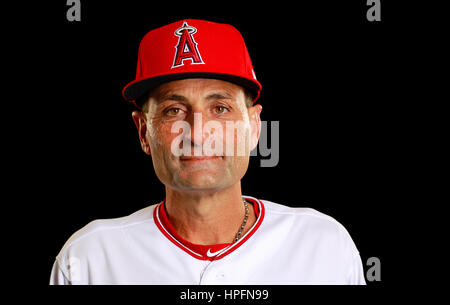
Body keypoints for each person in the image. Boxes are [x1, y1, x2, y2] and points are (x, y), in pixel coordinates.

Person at [50, 19, 366, 285]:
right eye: (174, 110)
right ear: (144, 132)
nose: (198, 133)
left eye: (220, 107)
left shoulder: (324, 245)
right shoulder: (89, 258)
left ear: (254, 127)